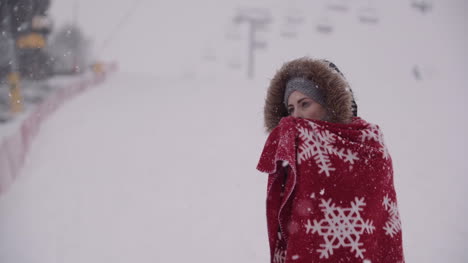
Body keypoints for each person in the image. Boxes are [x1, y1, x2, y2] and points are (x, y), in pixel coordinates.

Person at [257, 57, 405, 263]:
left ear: (329, 104)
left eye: (305, 104)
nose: (296, 116)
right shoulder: (297, 152)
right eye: (290, 109)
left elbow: (379, 225)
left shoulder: (370, 146)